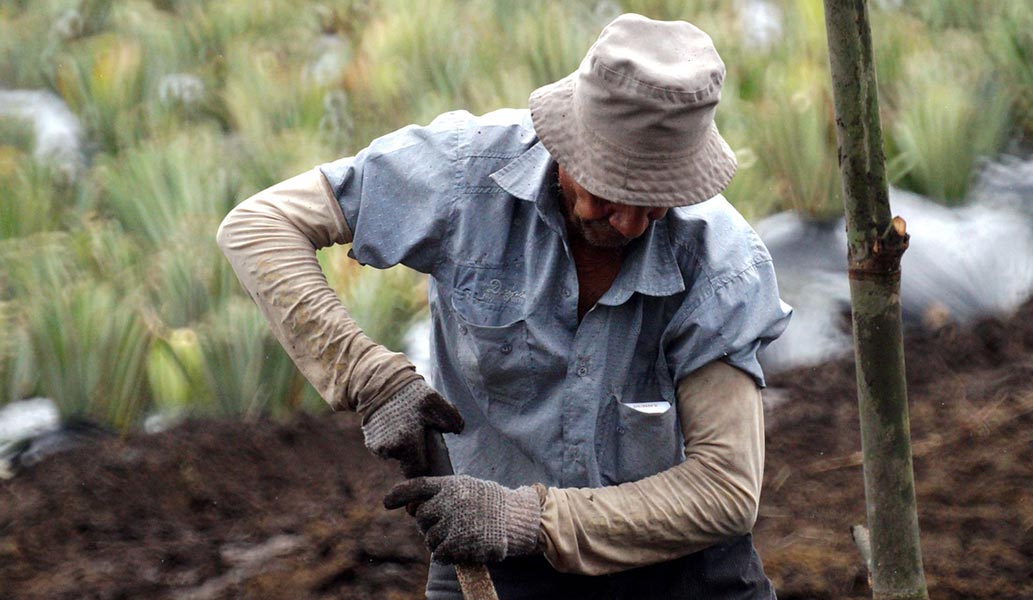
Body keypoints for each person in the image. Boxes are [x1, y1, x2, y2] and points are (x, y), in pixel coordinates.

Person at [217, 13, 791, 600]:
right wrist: (367, 376)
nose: (626, 221)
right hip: (486, 557)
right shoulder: (463, 178)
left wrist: (531, 520)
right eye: (608, 193)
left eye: (654, 203)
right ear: (565, 145)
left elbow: (724, 492)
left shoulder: (721, 264)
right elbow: (260, 226)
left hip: (678, 565)